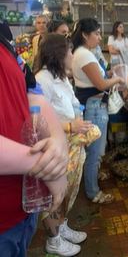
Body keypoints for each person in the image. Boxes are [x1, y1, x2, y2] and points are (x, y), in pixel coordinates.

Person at [0, 33, 68, 257]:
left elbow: (33, 93)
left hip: (22, 213)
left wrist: (58, 141)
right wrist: (47, 165)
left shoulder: (5, 42)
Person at [34, 34, 92, 256]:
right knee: (52, 195)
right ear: (58, 54)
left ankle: (61, 226)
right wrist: (69, 127)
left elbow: (74, 105)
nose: (72, 55)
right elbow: (38, 121)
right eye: (69, 51)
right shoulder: (42, 80)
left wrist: (80, 124)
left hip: (71, 145)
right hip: (54, 147)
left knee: (66, 191)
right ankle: (53, 240)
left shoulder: (62, 78)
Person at [71, 18, 125, 204]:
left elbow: (98, 77)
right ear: (85, 35)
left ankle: (92, 179)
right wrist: (118, 80)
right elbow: (100, 84)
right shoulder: (84, 55)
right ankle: (92, 192)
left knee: (94, 151)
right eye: (96, 34)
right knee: (94, 152)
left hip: (94, 106)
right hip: (94, 108)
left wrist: (111, 72)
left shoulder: (84, 53)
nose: (100, 38)